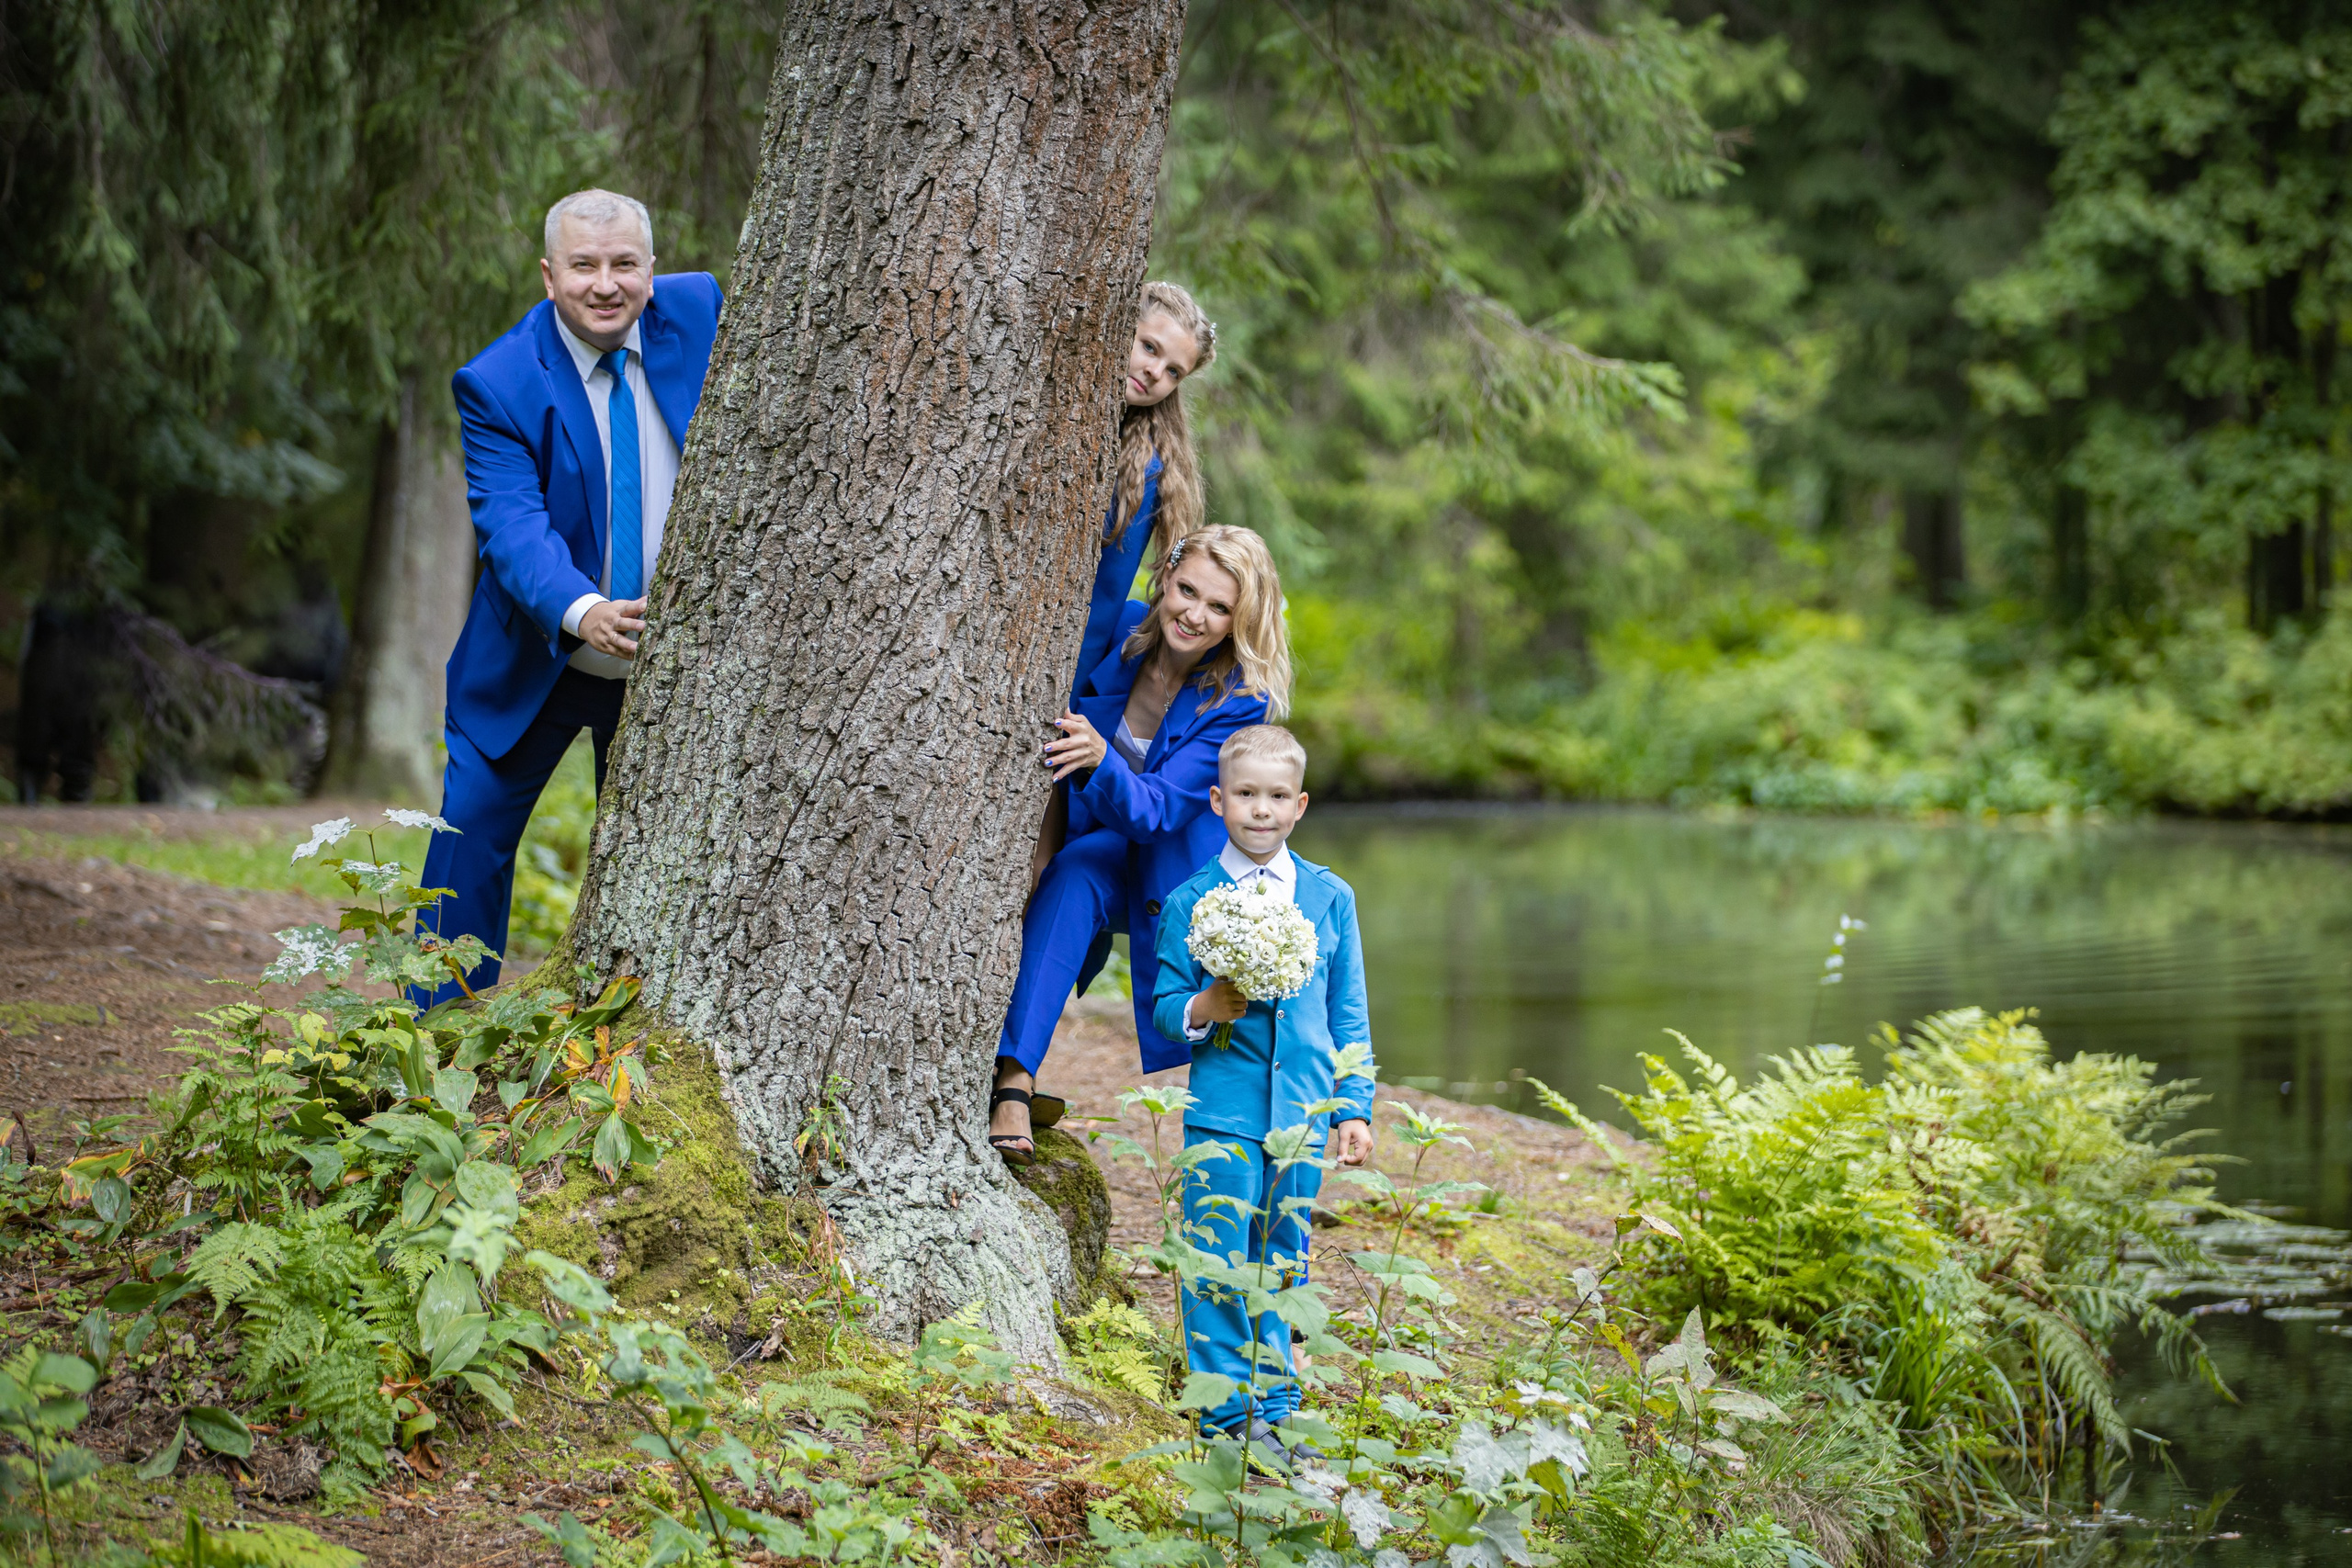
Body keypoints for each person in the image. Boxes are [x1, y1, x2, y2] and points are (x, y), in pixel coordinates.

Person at [413, 189, 721, 1005]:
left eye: (624, 263)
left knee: (666, 859)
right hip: (535, 658)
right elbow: (512, 529)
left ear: (652, 270)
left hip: (666, 673)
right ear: (550, 276)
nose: (606, 283)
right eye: (584, 266)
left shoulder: (704, 312)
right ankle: (437, 1039)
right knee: (468, 836)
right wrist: (584, 610)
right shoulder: (501, 381)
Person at [989, 525, 1295, 1161]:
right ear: (1166, 577)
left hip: (1173, 874)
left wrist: (1102, 758)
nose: (1195, 615)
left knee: (1233, 1036)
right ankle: (1014, 1083)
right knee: (1074, 874)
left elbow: (1158, 811)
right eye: (1187, 591)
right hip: (1093, 847)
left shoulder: (1241, 698)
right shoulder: (1116, 633)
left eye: (1219, 608)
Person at [1150, 723, 1375, 1461]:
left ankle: (1277, 1406)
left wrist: (1353, 1106)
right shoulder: (1192, 899)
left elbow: (1349, 1012)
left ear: (1301, 803)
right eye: (1245, 794)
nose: (1261, 810)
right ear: (1218, 800)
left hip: (1303, 1114)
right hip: (1222, 1108)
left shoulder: (1329, 896)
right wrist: (1203, 1008)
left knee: (1283, 1255)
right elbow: (1162, 1003)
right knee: (1217, 1252)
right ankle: (1227, 1414)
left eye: (1277, 796)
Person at [1073, 282, 1216, 696]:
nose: (1155, 372)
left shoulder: (1143, 468)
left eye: (1174, 371)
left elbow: (1104, 598)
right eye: (1149, 348)